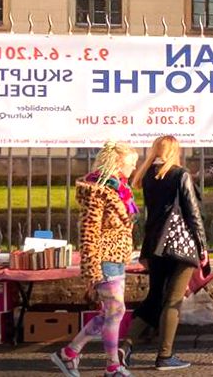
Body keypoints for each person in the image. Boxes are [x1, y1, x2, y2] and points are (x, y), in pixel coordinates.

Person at [49, 140, 141, 377]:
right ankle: (112, 366)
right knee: (115, 311)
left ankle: (69, 354)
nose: (133, 168)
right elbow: (89, 232)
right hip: (104, 259)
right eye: (131, 163)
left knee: (110, 312)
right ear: (118, 163)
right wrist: (92, 270)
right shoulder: (97, 192)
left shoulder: (118, 189)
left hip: (117, 257)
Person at [123, 135, 208, 371]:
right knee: (172, 301)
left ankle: (125, 345)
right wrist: (202, 247)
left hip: (155, 245)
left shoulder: (149, 175)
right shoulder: (180, 174)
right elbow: (192, 214)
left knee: (154, 297)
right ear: (175, 151)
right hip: (180, 246)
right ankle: (165, 356)